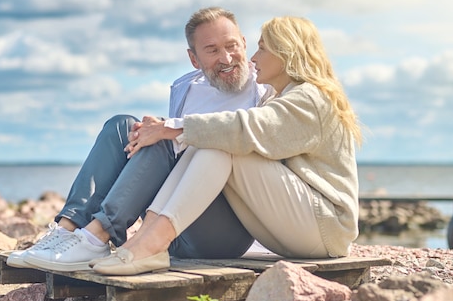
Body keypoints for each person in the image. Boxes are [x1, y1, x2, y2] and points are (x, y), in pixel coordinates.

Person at [6, 7, 273, 272]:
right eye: (212, 50)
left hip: (222, 233)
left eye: (232, 45)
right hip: (167, 229)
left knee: (160, 136)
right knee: (123, 125)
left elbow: (251, 140)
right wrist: (153, 131)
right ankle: (65, 232)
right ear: (194, 58)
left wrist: (164, 131)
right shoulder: (187, 87)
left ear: (244, 43)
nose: (226, 58)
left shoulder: (265, 90)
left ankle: (97, 236)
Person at [92, 16, 363, 276]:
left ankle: (153, 243)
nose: (254, 58)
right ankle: (146, 239)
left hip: (327, 229)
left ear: (286, 54)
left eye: (263, 48)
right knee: (209, 140)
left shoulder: (311, 97)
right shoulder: (284, 98)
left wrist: (169, 127)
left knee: (223, 143)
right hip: (297, 231)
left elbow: (247, 127)